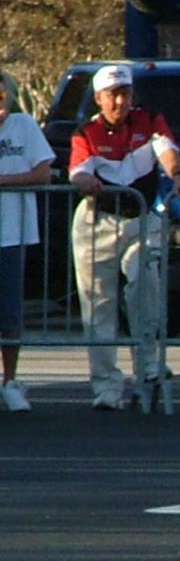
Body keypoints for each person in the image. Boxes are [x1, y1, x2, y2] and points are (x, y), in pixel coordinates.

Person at [68, 65, 180, 410]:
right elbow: (78, 170)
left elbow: (166, 149)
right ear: (99, 99)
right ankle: (106, 387)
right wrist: (85, 182)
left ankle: (149, 363)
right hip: (98, 222)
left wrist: (178, 174)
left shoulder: (148, 120)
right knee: (98, 307)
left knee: (144, 279)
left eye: (124, 94)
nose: (119, 102)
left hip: (140, 218)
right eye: (112, 95)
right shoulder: (87, 131)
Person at [0, 76, 54, 412]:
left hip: (12, 233)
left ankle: (10, 381)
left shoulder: (24, 126)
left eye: (3, 97)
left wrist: (3, 181)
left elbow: (43, 173)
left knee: (9, 313)